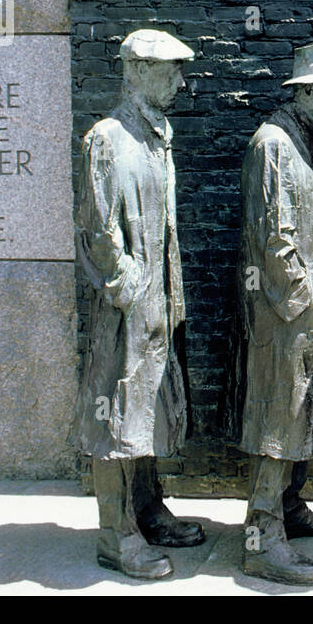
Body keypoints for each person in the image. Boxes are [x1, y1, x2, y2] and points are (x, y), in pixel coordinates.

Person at [226, 43, 313, 586]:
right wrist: (304, 306)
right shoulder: (274, 143)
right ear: (305, 90)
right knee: (276, 415)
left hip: (300, 309)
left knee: (297, 408)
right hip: (280, 312)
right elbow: (274, 241)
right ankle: (262, 538)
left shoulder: (310, 140)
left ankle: (288, 505)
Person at [72, 28, 204, 580]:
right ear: (137, 70)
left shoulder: (156, 134)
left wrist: (163, 296)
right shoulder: (108, 137)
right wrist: (130, 289)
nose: (180, 80)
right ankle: (115, 533)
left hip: (156, 302)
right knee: (116, 408)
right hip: (126, 306)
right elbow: (98, 228)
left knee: (146, 405)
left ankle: (148, 509)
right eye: (170, 69)